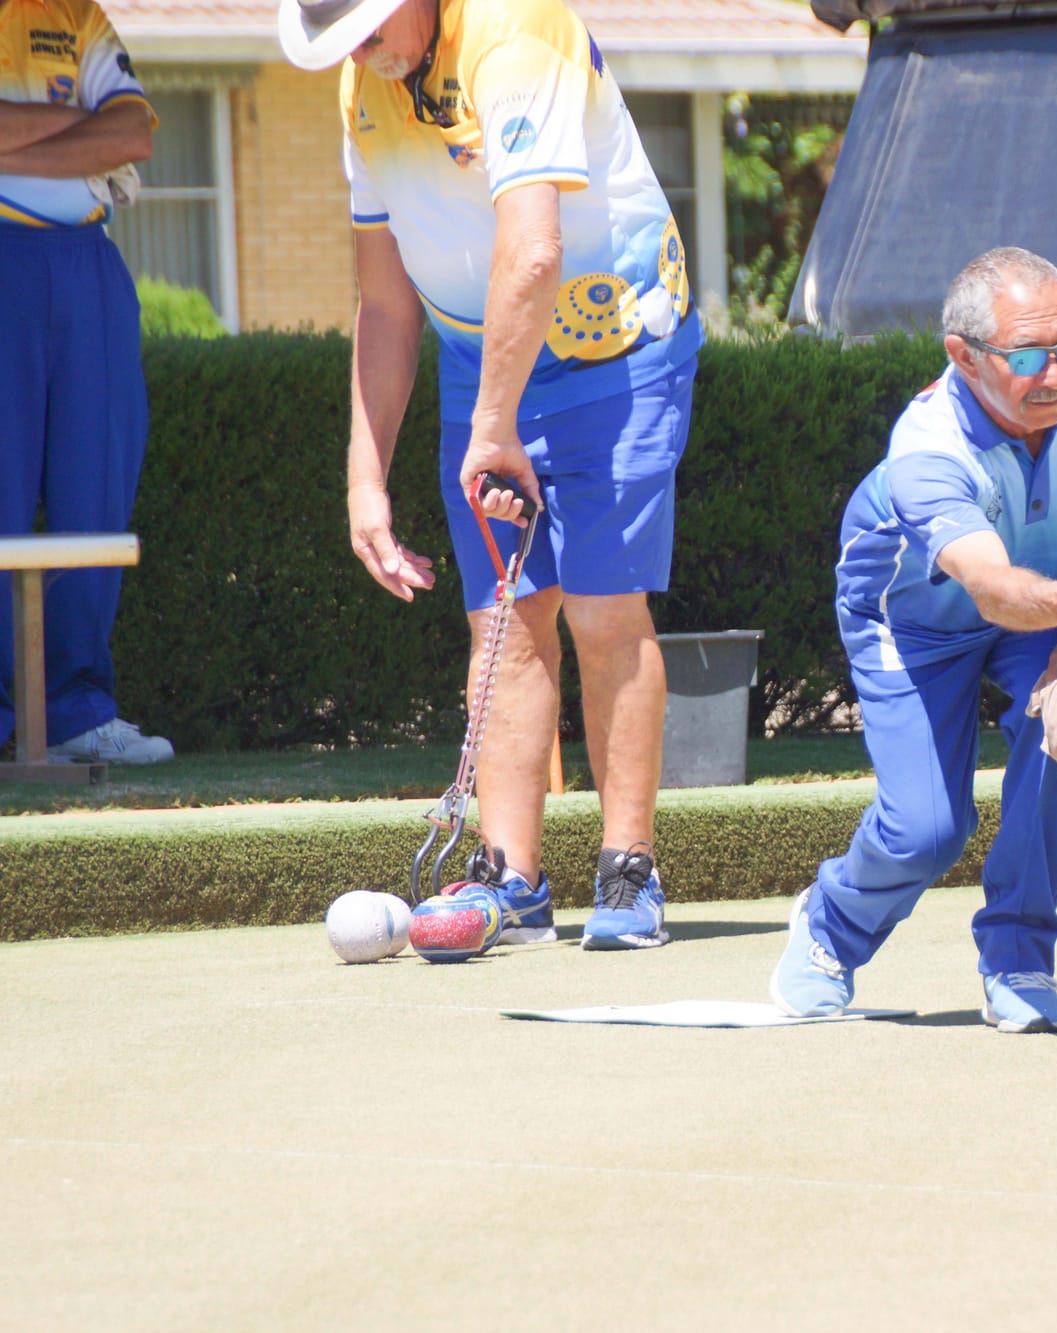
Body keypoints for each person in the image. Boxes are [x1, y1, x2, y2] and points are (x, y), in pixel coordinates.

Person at [279, 0, 702, 950]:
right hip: (487, 356)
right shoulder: (369, 84)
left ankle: (629, 870)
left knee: (600, 605)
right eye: (341, 39)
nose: (362, 54)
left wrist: (492, 425)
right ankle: (512, 882)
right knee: (504, 619)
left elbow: (536, 247)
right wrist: (365, 480)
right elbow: (385, 304)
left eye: (370, 29)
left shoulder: (515, 36)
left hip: (615, 342)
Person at [769, 247, 1057, 1032]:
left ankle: (1019, 955)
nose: (1055, 374)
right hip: (914, 618)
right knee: (927, 830)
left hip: (1045, 597)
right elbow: (987, 586)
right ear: (964, 356)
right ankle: (829, 930)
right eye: (1027, 356)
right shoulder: (927, 447)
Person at [0, 0, 173, 765]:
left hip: (86, 260)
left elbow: (132, 133)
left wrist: (16, 135)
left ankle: (76, 712)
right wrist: (76, 134)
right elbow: (103, 137)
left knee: (93, 488)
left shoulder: (76, 14)